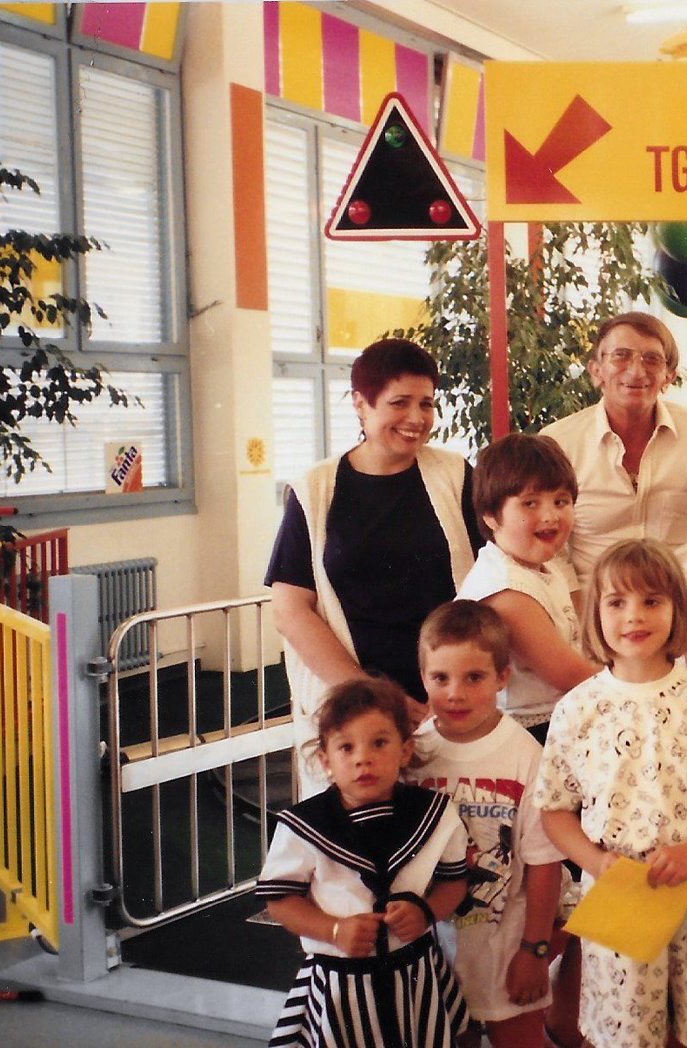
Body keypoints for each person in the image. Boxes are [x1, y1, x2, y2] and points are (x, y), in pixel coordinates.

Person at [534, 540, 687, 1048]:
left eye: (652, 601)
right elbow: (555, 811)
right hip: (620, 894)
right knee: (625, 1033)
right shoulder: (578, 709)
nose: (633, 616)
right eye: (617, 602)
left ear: (677, 610)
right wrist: (595, 864)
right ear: (595, 613)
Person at [266, 337, 481, 796]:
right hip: (353, 711)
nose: (416, 419)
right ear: (361, 405)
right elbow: (291, 609)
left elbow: (494, 571)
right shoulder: (316, 488)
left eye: (427, 404)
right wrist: (376, 699)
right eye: (399, 403)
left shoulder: (455, 475)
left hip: (446, 702)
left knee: (453, 841)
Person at [257, 676, 471, 1048]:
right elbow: (280, 900)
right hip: (340, 982)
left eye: (379, 743)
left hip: (415, 975)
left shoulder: (435, 814)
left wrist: (426, 912)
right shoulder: (302, 826)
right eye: (346, 747)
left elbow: (454, 882)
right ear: (325, 760)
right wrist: (333, 930)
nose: (362, 758)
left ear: (405, 751)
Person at [411, 601, 566, 1048]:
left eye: (473, 677)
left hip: (505, 950)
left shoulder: (525, 756)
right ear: (422, 676)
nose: (455, 693)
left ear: (502, 677)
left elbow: (543, 862)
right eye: (440, 678)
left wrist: (535, 951)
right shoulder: (413, 755)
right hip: (431, 952)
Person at [543, 311, 687, 652]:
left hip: (682, 614)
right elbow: (547, 547)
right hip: (590, 615)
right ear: (596, 371)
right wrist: (584, 615)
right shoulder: (558, 443)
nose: (636, 370)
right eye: (621, 356)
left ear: (668, 376)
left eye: (651, 359)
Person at [456, 433, 599, 744]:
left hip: (561, 717)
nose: (550, 515)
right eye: (530, 503)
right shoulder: (506, 591)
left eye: (561, 501)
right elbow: (569, 675)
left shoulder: (540, 567)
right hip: (528, 734)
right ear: (491, 515)